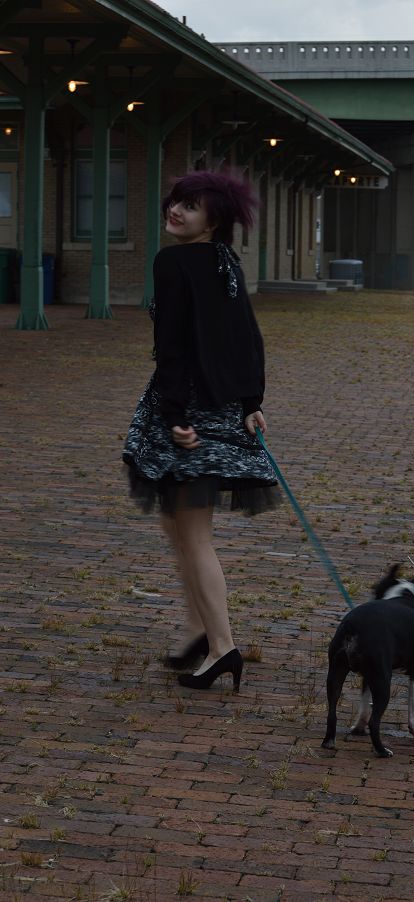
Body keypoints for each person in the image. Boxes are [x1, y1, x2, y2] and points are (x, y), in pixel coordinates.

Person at [123, 169, 280, 692]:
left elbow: (171, 346)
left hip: (188, 413)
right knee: (176, 524)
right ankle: (197, 628)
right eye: (176, 201)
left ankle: (221, 647)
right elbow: (247, 337)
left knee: (193, 535)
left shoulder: (172, 261)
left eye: (190, 206)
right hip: (222, 406)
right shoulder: (224, 260)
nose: (176, 210)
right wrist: (250, 402)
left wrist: (173, 416)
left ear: (213, 221)